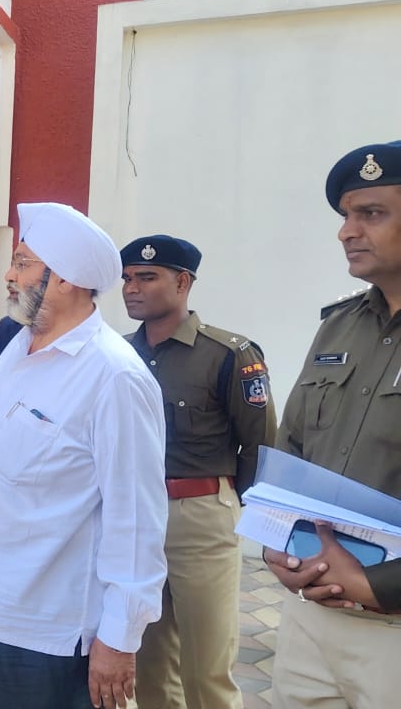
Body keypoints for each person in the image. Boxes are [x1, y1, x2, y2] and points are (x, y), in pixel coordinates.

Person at [0, 202, 168, 709]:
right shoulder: (14, 341)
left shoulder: (115, 376)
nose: (9, 274)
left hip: (31, 629)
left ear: (66, 278)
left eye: (23, 262)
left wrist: (120, 636)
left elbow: (135, 517)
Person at [263, 140, 401, 708]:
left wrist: (382, 586)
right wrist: (277, 542)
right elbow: (291, 446)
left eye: (371, 213)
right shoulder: (338, 327)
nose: (347, 231)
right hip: (308, 617)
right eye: (346, 215)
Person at [119, 234, 277, 709]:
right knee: (147, 665)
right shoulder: (118, 353)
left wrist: (240, 512)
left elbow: (260, 444)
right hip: (135, 518)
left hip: (201, 516)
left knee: (206, 668)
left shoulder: (229, 354)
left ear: (183, 282)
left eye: (147, 277)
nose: (131, 288)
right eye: (127, 278)